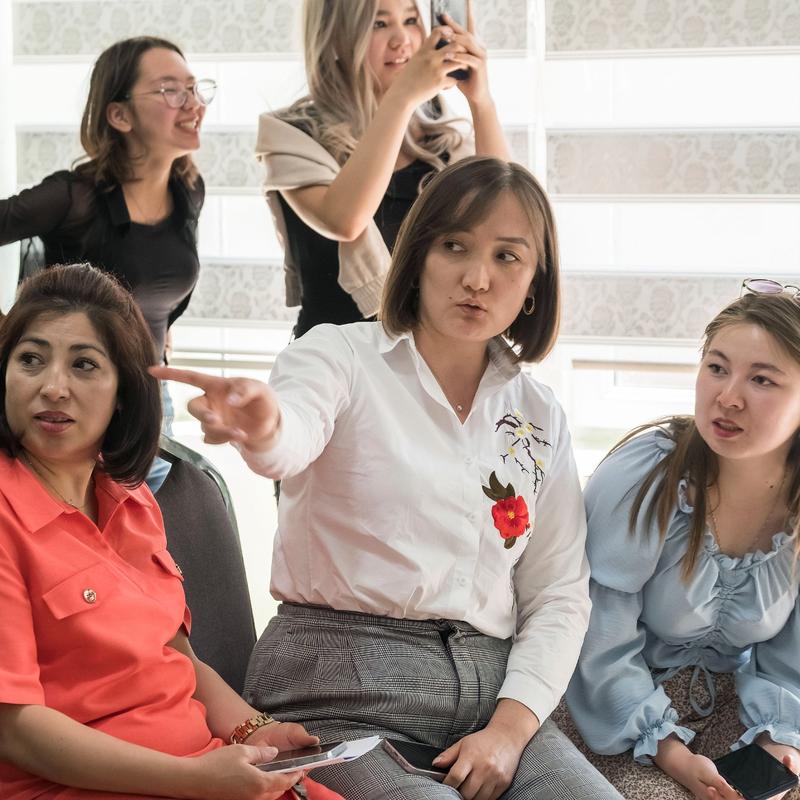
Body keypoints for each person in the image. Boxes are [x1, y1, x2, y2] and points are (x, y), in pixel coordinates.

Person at [154, 156, 622, 800]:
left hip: (492, 697)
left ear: (536, 282)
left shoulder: (538, 413)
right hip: (333, 689)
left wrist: (510, 731)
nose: (478, 278)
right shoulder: (338, 356)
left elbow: (559, 594)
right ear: (419, 257)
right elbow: (288, 440)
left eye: (508, 257)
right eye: (454, 246)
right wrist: (261, 425)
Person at [0, 264, 343, 800]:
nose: (53, 386)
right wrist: (196, 781)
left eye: (84, 365)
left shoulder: (134, 498)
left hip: (197, 767)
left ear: (124, 393)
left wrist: (257, 731)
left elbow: (176, 655)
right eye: (31, 360)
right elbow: (15, 729)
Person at [557, 284, 800, 800]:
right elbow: (596, 641)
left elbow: (788, 666)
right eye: (716, 367)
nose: (728, 396)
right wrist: (669, 751)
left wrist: (777, 749)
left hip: (731, 711)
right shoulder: (648, 476)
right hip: (613, 714)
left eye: (761, 379)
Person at [0, 36, 213, 490]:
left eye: (195, 89)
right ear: (119, 115)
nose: (192, 104)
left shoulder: (188, 193)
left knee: (141, 547)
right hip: (72, 404)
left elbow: (160, 293)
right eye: (171, 91)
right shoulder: (71, 197)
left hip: (150, 399)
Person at [258, 0, 509, 338]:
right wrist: (402, 97)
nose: (402, 40)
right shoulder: (290, 133)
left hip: (427, 362)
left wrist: (482, 101)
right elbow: (345, 219)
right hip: (331, 364)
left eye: (410, 20)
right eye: (379, 24)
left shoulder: (441, 139)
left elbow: (507, 215)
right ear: (333, 37)